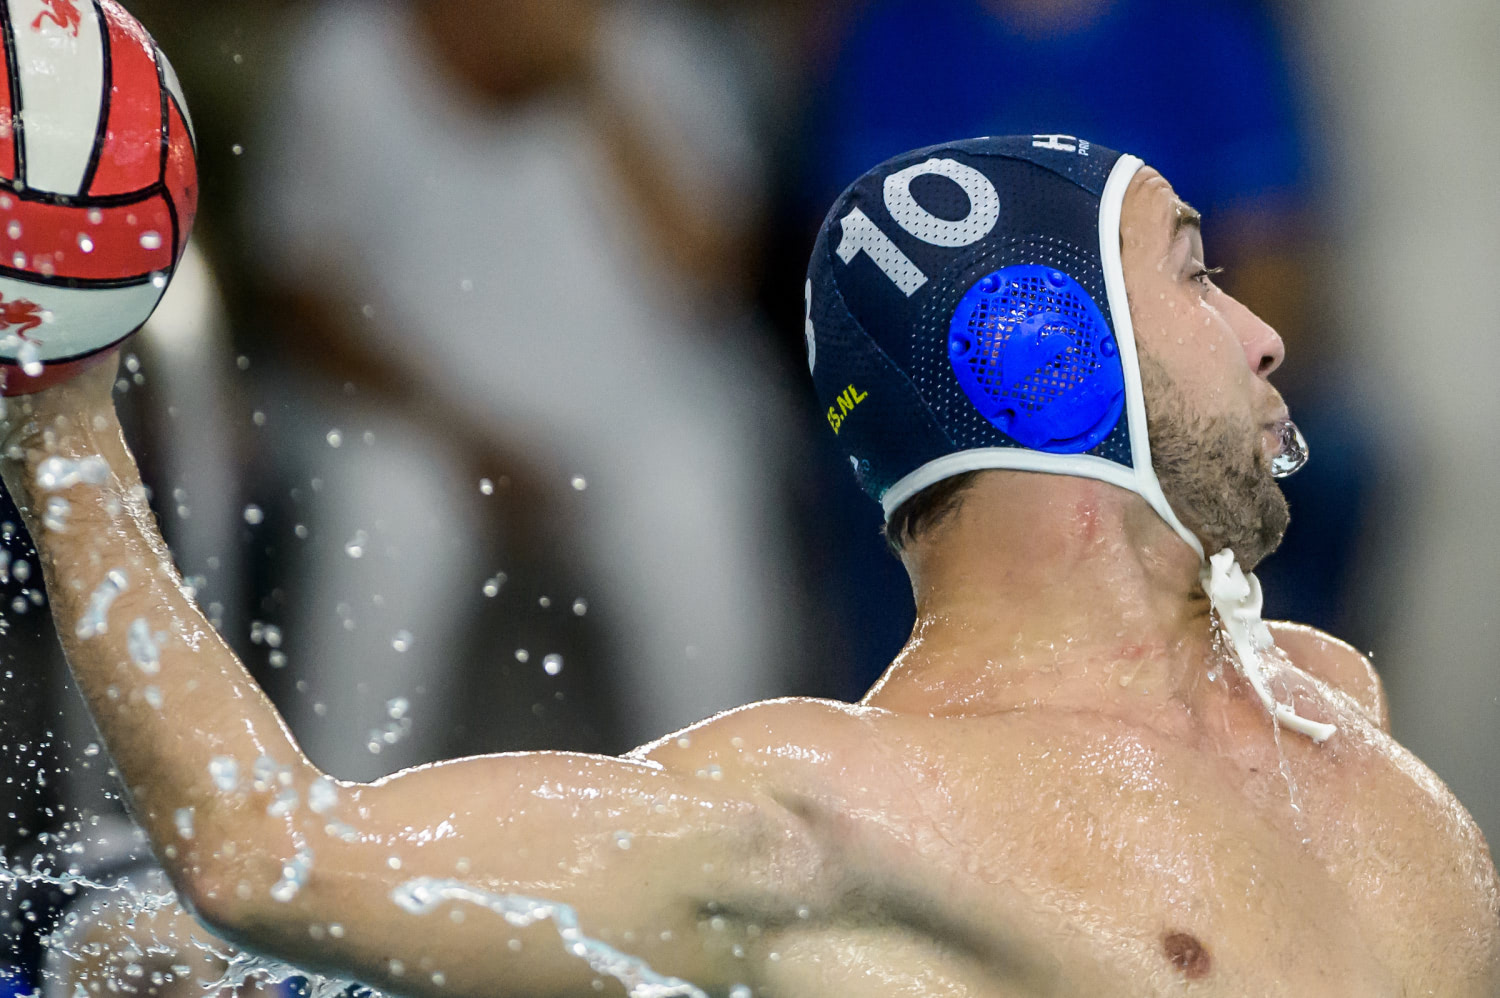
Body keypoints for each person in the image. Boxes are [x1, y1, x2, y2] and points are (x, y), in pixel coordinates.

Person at [3, 136, 1496, 996]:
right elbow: (268, 853)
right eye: (1192, 266)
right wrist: (58, 419)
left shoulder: (1327, 695)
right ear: (1045, 357)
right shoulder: (832, 815)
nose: (1263, 333)